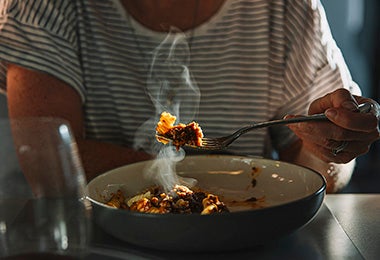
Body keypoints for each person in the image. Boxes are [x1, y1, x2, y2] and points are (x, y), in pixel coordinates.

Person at [0, 0, 378, 193]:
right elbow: (52, 163)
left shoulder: (284, 7)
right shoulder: (45, 6)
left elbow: (317, 172)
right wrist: (226, 176)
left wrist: (331, 143)